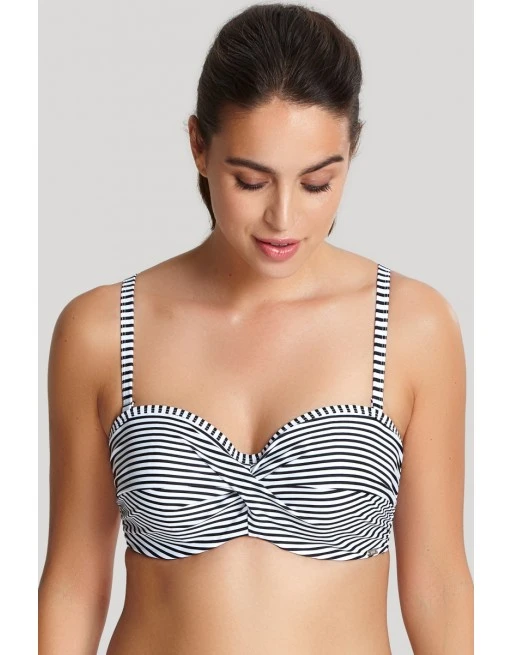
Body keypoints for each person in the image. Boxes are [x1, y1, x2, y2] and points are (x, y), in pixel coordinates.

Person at [38, 3, 473, 653]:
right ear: (198, 146)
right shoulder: (101, 330)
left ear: (351, 153)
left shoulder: (414, 326)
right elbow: (73, 582)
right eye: (250, 180)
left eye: (317, 182)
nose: (283, 217)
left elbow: (438, 584)